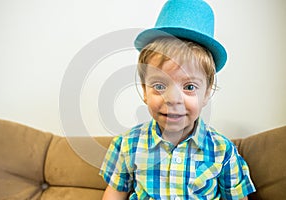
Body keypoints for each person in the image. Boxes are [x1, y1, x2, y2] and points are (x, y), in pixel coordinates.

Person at [99, 0, 256, 199]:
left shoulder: (223, 151)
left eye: (189, 87)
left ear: (207, 93)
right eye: (160, 86)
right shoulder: (127, 144)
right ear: (145, 90)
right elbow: (114, 194)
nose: (173, 99)